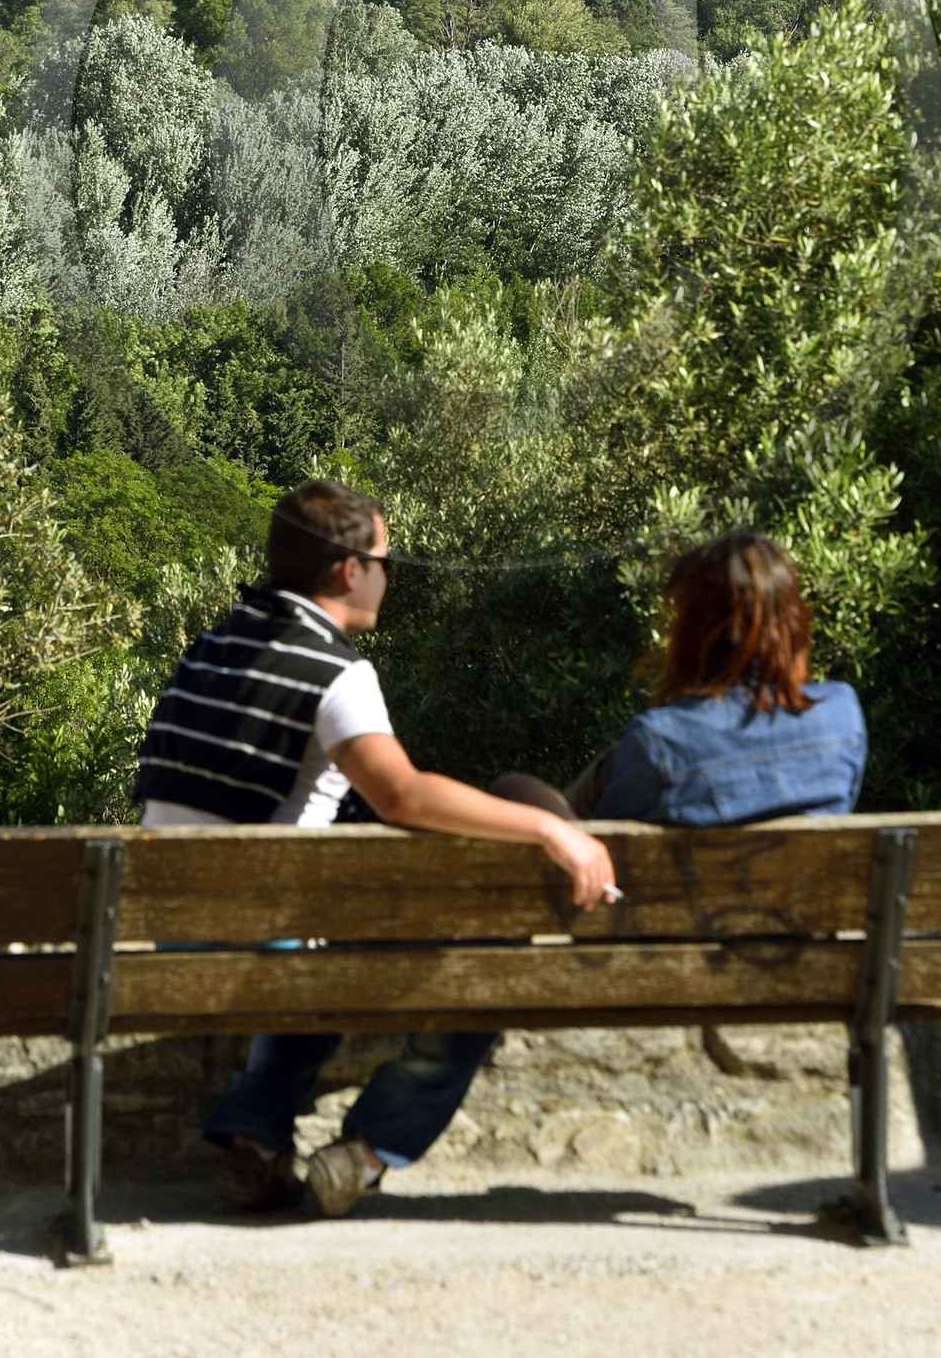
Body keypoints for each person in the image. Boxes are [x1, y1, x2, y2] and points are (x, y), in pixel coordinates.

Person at [135, 479, 617, 1219]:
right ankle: (363, 1155)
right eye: (388, 560)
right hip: (260, 946)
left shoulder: (213, 644)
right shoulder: (336, 672)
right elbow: (404, 796)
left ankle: (255, 1142)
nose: (392, 577)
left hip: (174, 934)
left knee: (330, 932)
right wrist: (553, 828)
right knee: (475, 974)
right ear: (350, 570)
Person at [573, 529, 866, 826]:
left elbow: (596, 851)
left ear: (694, 630)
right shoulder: (842, 715)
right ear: (792, 619)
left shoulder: (658, 742)